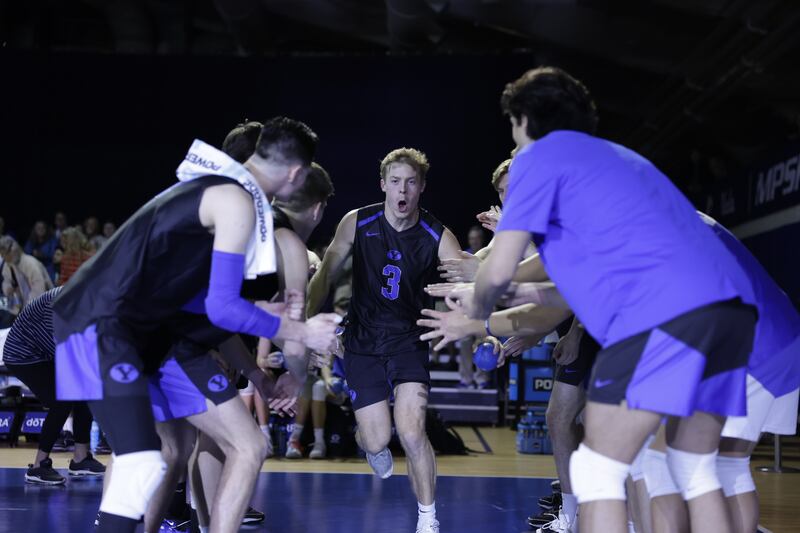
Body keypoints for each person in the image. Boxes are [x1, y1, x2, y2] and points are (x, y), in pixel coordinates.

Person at [465, 67, 757, 533]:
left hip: (664, 318)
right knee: (688, 468)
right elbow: (563, 280)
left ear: (525, 119)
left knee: (601, 468)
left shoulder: (541, 162)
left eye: (514, 126)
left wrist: (474, 312)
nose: (515, 139)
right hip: (729, 313)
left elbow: (500, 272)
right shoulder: (621, 160)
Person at [52, 116, 341, 533]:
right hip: (99, 321)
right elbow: (223, 310)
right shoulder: (237, 201)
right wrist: (301, 332)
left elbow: (210, 306)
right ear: (296, 175)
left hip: (130, 328)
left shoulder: (218, 186)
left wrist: (262, 334)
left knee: (158, 455)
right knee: (144, 459)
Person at [308, 147, 463, 533]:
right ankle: (372, 447)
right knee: (376, 440)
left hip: (409, 340)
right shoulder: (356, 222)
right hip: (361, 340)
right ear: (383, 185)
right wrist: (306, 327)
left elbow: (465, 289)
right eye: (395, 181)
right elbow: (325, 276)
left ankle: (428, 519)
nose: (403, 190)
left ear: (422, 187)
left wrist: (475, 329)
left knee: (412, 430)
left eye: (411, 182)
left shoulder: (438, 236)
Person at [636, 213, 800, 533]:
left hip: (754, 346)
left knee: (660, 463)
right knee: (729, 463)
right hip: (782, 338)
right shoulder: (682, 217)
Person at [0, 287, 105, 485]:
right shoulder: (65, 305)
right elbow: (66, 353)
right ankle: (39, 466)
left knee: (85, 389)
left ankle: (81, 459)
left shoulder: (88, 299)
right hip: (22, 354)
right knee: (62, 399)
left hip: (44, 351)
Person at [0, 236, 54, 312]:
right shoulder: (8, 264)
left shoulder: (31, 264)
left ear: (12, 250)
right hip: (19, 307)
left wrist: (26, 310)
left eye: (4, 254)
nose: (3, 257)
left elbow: (39, 290)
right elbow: (6, 281)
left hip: (39, 309)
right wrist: (8, 289)